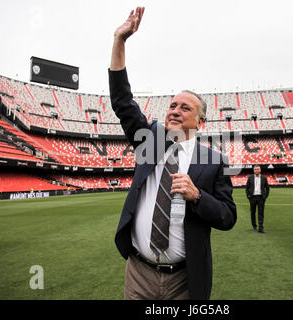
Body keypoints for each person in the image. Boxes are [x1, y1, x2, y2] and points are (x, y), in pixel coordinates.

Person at [109, 7, 237, 300]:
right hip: (139, 271)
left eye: (185, 107)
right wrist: (119, 41)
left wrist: (197, 197)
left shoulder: (213, 161)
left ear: (200, 122)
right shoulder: (149, 139)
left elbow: (228, 217)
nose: (175, 110)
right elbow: (122, 101)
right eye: (172, 105)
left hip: (185, 278)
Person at [245, 165, 270, 233]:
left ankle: (261, 228)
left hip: (261, 197)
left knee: (261, 213)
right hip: (252, 197)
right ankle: (254, 227)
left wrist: (265, 196)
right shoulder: (250, 177)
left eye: (258, 169)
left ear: (260, 170)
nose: (256, 170)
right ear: (253, 170)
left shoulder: (264, 178)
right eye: (255, 169)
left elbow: (267, 188)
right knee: (253, 213)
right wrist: (248, 196)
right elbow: (247, 188)